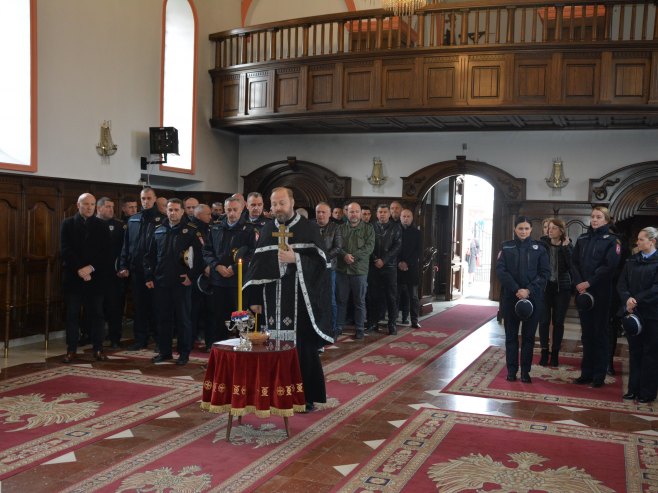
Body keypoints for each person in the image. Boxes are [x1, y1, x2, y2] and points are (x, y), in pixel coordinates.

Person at [244, 187, 333, 411]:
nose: (276, 208)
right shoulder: (266, 229)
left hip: (300, 304)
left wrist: (297, 258)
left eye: (281, 203)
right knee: (272, 348)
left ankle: (305, 397)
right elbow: (256, 266)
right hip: (272, 301)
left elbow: (322, 266)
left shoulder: (309, 228)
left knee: (302, 350)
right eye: (273, 204)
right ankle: (273, 394)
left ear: (291, 203)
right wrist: (254, 299)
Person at [144, 198, 204, 365]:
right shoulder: (158, 230)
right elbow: (149, 257)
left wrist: (191, 276)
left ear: (182, 211)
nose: (173, 213)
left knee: (183, 319)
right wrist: (149, 276)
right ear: (166, 211)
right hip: (161, 282)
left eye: (176, 209)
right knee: (163, 319)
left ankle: (184, 353)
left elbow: (199, 258)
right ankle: (165, 352)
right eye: (170, 209)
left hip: (181, 282)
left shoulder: (191, 231)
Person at [571, 206, 621, 388]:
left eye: (599, 217)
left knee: (600, 333)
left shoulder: (612, 241)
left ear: (606, 220)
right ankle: (586, 373)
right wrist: (579, 283)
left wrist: (589, 282)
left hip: (601, 292)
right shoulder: (583, 238)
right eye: (593, 216)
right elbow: (574, 263)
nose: (594, 220)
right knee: (586, 334)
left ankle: (599, 375)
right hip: (582, 292)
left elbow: (609, 267)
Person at [495, 216, 550, 383]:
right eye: (520, 228)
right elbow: (501, 271)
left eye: (526, 228)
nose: (523, 231)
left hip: (533, 298)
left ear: (531, 229)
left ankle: (526, 372)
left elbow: (545, 273)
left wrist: (528, 290)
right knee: (511, 336)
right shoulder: (506, 247)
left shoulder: (540, 248)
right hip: (511, 297)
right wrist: (516, 289)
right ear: (515, 229)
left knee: (528, 337)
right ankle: (512, 371)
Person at [60, 193, 112, 363]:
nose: (89, 207)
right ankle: (71, 349)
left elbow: (106, 252)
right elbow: (65, 249)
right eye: (86, 204)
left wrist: (90, 268)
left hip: (95, 278)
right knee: (72, 315)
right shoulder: (67, 224)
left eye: (92, 204)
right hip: (74, 277)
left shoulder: (102, 225)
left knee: (97, 314)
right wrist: (80, 269)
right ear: (78, 205)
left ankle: (98, 349)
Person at [203, 196, 256, 345]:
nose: (232, 214)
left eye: (235, 210)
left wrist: (235, 268)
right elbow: (207, 251)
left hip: (238, 281)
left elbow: (253, 254)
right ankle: (220, 349)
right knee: (218, 317)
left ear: (242, 210)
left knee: (240, 317)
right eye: (229, 210)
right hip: (218, 280)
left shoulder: (249, 229)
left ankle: (242, 347)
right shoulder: (215, 227)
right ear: (224, 210)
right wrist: (216, 266)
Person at [118, 187, 166, 350]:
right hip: (136, 271)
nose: (146, 201)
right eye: (143, 198)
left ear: (154, 199)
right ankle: (140, 339)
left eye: (149, 198)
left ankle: (160, 342)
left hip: (155, 273)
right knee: (139, 308)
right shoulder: (133, 220)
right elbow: (126, 245)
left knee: (157, 308)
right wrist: (123, 265)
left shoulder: (163, 220)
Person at [617, 227, 658, 403]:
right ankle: (632, 389)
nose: (638, 242)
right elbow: (621, 283)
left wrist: (637, 300)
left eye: (641, 239)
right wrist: (628, 300)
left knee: (650, 353)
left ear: (652, 241)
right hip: (633, 313)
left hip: (652, 314)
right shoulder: (632, 260)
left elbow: (656, 288)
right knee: (635, 352)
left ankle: (647, 392)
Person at [538, 218, 573, 367]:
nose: (549, 230)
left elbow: (572, 265)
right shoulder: (541, 244)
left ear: (561, 231)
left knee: (558, 322)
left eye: (553, 228)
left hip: (562, 289)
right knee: (544, 321)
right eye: (548, 228)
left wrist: (566, 248)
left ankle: (555, 354)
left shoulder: (568, 245)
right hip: (545, 288)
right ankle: (544, 352)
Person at [96, 196, 126, 349]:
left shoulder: (120, 226)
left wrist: (122, 266)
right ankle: (95, 337)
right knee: (96, 308)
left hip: (114, 274)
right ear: (99, 208)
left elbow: (125, 250)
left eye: (112, 207)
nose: (111, 209)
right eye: (107, 206)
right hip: (95, 274)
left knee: (114, 307)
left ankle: (115, 338)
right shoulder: (91, 224)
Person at [367, 204, 402, 335]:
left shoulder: (396, 227)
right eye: (380, 212)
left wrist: (384, 260)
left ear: (389, 214)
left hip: (390, 267)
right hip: (374, 266)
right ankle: (372, 323)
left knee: (391, 297)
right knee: (372, 296)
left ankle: (392, 324)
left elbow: (397, 246)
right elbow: (368, 245)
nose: (382, 214)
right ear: (376, 214)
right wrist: (376, 259)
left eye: (385, 212)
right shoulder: (371, 227)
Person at [315, 201, 343, 337]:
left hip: (329, 268)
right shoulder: (310, 226)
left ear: (330, 214)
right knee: (314, 298)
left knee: (330, 299)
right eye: (318, 212)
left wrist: (323, 257)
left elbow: (338, 247)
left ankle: (331, 329)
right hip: (313, 268)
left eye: (323, 212)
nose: (320, 215)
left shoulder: (335, 227)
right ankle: (316, 327)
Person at [397, 209, 422, 328]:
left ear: (412, 218)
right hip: (396, 268)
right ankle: (393, 320)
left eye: (408, 216)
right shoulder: (395, 231)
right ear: (400, 217)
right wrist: (399, 262)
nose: (405, 218)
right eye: (404, 216)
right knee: (396, 295)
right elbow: (392, 249)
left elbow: (418, 252)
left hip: (411, 268)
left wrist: (407, 263)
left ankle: (414, 320)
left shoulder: (417, 233)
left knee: (413, 296)